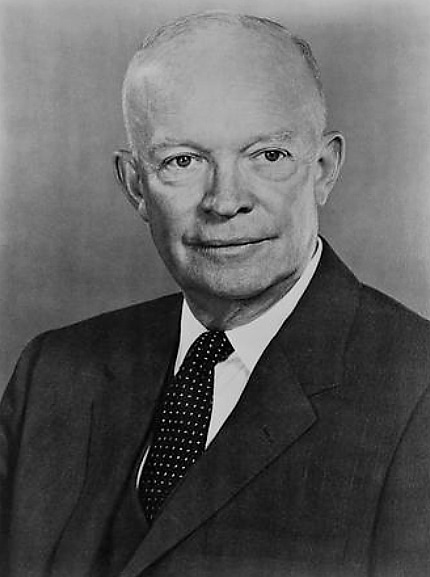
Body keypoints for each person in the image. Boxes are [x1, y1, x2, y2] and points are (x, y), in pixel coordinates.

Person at [1, 10, 430, 577]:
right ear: (135, 185)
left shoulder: (417, 389)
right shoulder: (54, 372)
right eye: (183, 160)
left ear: (323, 169)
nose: (225, 201)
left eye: (268, 155)